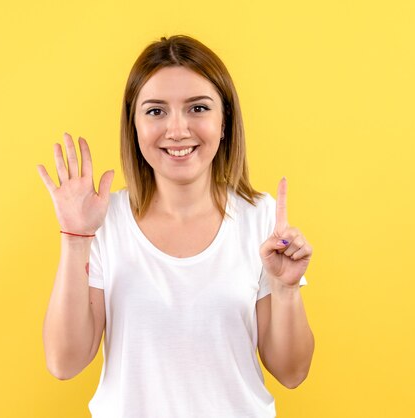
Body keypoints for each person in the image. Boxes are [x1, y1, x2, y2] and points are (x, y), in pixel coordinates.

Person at [37, 34, 315, 418]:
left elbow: (292, 371)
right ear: (134, 125)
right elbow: (64, 363)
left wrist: (285, 291)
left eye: (198, 108)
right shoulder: (104, 220)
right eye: (155, 111)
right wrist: (76, 238)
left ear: (225, 122)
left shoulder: (260, 218)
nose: (177, 129)